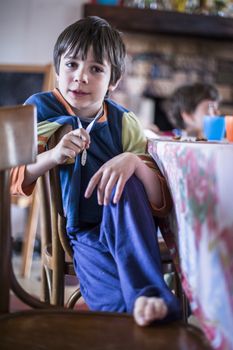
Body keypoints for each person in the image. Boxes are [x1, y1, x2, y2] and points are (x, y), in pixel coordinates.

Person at [10, 16, 181, 326]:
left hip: (130, 224)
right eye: (72, 64)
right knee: (112, 301)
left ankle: (150, 294)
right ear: (58, 67)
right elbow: (16, 178)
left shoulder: (123, 121)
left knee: (128, 180)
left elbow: (160, 199)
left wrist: (132, 161)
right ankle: (146, 304)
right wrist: (52, 155)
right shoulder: (39, 109)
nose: (81, 77)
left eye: (96, 69)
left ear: (112, 82)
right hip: (84, 230)